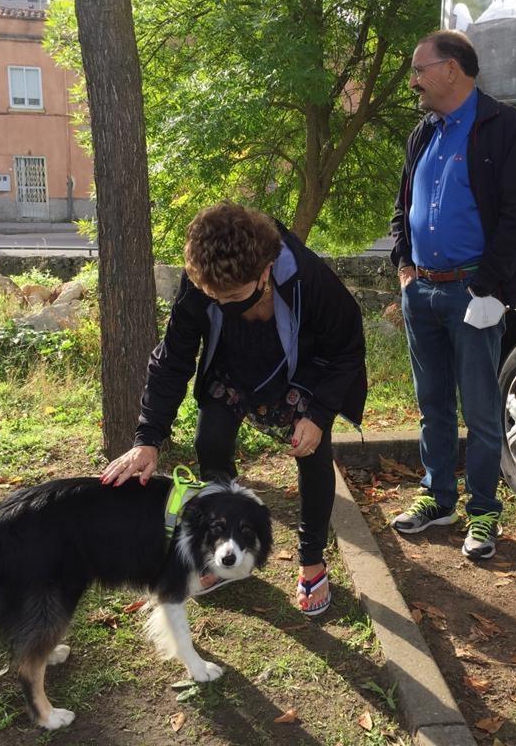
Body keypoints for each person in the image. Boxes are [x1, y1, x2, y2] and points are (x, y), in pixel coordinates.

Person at [100, 202, 367, 616]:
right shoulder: (199, 285)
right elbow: (172, 360)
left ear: (265, 271)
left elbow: (347, 350)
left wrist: (318, 415)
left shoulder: (309, 279)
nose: (222, 305)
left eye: (234, 297)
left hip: (300, 372)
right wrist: (148, 439)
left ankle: (311, 559)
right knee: (210, 441)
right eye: (214, 297)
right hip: (233, 368)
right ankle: (220, 544)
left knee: (312, 451)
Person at [389, 30, 516, 560]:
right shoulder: (424, 133)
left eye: (419, 69)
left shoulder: (501, 127)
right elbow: (402, 206)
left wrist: (491, 288)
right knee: (432, 406)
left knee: (478, 411)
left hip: (473, 294)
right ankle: (437, 497)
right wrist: (405, 267)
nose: (414, 81)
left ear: (451, 69)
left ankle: (483, 513)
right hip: (422, 291)